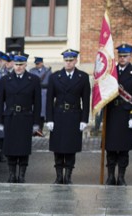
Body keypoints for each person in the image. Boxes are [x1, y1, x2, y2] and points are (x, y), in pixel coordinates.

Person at [46, 49, 90, 184]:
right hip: (59, 115)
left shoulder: (82, 77)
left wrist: (84, 119)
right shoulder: (55, 77)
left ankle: (68, 176)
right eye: (66, 60)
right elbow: (49, 100)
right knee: (58, 148)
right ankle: (59, 176)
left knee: (71, 148)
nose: (68, 63)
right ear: (63, 61)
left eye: (71, 60)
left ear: (76, 61)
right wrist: (49, 119)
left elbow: (86, 100)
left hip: (74, 116)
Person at [0, 53, 41, 183]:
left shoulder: (33, 80)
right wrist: (0, 120)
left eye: (21, 64)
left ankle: (21, 175)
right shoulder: (5, 79)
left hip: (25, 118)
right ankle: (11, 175)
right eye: (16, 64)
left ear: (26, 64)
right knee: (10, 148)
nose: (19, 67)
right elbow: (0, 101)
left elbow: (37, 103)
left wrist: (36, 122)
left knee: (23, 148)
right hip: (10, 117)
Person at [104, 44, 132, 186]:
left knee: (123, 148)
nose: (122, 59)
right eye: (120, 56)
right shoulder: (110, 73)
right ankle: (110, 176)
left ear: (130, 57)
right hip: (111, 115)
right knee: (110, 147)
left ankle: (121, 176)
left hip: (126, 116)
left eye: (125, 56)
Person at [28, 57, 52, 122]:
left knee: (43, 108)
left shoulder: (48, 71)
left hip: (44, 91)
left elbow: (50, 82)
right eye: (36, 64)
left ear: (42, 63)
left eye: (38, 63)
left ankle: (43, 118)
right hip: (35, 91)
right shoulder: (32, 71)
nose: (37, 65)